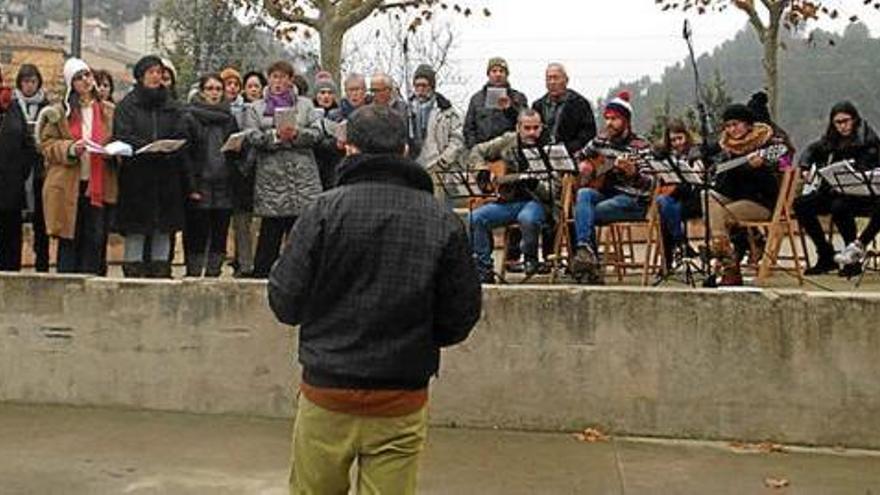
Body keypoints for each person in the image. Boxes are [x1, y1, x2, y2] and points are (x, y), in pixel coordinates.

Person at [267, 104, 481, 495]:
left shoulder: (322, 212)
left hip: (327, 392)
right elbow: (460, 317)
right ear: (405, 151)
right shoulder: (441, 220)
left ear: (349, 149)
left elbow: (285, 301)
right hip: (401, 395)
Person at [113, 55, 190, 278]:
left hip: (166, 176)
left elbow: (182, 133)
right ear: (140, 77)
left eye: (159, 72)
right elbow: (122, 134)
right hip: (136, 177)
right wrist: (145, 146)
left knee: (163, 230)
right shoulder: (128, 105)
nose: (156, 77)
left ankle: (161, 270)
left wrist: (169, 146)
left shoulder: (172, 105)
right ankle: (133, 272)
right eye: (151, 72)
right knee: (136, 230)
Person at [37, 58, 117, 274]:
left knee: (95, 238)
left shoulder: (108, 110)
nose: (85, 80)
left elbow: (116, 138)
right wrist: (71, 148)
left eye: (87, 75)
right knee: (69, 238)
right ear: (71, 83)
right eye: (79, 77)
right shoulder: (60, 112)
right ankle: (66, 288)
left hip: (98, 184)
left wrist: (112, 151)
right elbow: (46, 145)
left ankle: (90, 288)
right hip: (69, 183)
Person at [243, 60, 322, 278]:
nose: (279, 82)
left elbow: (317, 134)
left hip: (302, 177)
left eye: (283, 77)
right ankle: (261, 275)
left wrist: (296, 134)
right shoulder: (256, 108)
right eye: (274, 77)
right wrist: (276, 136)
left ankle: (305, 276)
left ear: (290, 80)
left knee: (302, 232)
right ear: (268, 79)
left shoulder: (305, 105)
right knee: (270, 231)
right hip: (272, 178)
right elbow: (252, 135)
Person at [703, 103, 792, 286]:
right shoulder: (725, 147)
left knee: (720, 215)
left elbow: (785, 161)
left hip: (760, 201)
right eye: (727, 126)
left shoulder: (768, 143)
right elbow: (723, 183)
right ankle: (728, 260)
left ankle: (724, 259)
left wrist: (760, 168)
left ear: (748, 124)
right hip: (732, 197)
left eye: (736, 124)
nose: (731, 129)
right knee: (706, 197)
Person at [570, 92, 653, 284]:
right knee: (584, 194)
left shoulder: (639, 146)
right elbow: (577, 157)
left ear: (626, 121)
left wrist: (634, 174)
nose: (609, 123)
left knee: (587, 213)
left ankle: (588, 260)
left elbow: (651, 184)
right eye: (607, 118)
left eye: (614, 119)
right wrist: (584, 166)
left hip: (633, 202)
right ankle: (586, 252)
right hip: (606, 194)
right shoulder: (601, 141)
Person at [795, 101, 880, 277]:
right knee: (801, 205)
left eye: (846, 121)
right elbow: (811, 149)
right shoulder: (831, 140)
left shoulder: (869, 140)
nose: (842, 126)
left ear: (854, 119)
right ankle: (825, 253)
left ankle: (852, 256)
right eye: (837, 122)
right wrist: (804, 166)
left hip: (863, 196)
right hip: (835, 191)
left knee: (840, 207)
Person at [467, 109, 549, 282]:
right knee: (475, 218)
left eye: (536, 128)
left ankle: (530, 259)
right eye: (527, 128)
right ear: (518, 127)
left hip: (537, 202)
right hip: (509, 201)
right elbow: (477, 151)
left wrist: (536, 184)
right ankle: (484, 269)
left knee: (527, 218)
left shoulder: (550, 146)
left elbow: (554, 192)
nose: (532, 133)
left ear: (541, 128)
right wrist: (482, 170)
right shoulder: (508, 141)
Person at [182, 73, 239, 277]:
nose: (214, 93)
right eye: (210, 89)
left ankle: (214, 274)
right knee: (197, 231)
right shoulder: (190, 117)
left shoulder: (229, 118)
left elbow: (236, 151)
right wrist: (191, 186)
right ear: (202, 91)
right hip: (200, 182)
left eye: (218, 89)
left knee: (220, 232)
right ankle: (194, 274)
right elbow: (186, 155)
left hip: (224, 182)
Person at [0, 64, 50, 271]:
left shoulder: (45, 107)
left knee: (39, 222)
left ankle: (40, 265)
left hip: (36, 172)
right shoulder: (10, 105)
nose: (29, 86)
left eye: (33, 81)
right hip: (10, 174)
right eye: (25, 81)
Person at [407, 64, 465, 202]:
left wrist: (444, 160)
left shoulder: (448, 112)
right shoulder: (406, 110)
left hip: (438, 167)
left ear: (432, 86)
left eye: (424, 85)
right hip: (413, 167)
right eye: (417, 86)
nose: (420, 90)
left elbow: (458, 139)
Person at [653, 118, 702, 267]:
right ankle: (680, 242)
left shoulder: (696, 151)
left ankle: (672, 254)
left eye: (680, 138)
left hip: (694, 199)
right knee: (663, 204)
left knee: (665, 210)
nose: (677, 143)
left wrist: (698, 170)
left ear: (686, 136)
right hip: (675, 198)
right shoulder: (667, 157)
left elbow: (700, 181)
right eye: (673, 140)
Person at [531, 63, 597, 156]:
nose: (552, 82)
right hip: (542, 155)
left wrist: (566, 149)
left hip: (572, 155)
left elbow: (588, 134)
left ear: (566, 80)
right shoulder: (538, 105)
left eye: (556, 78)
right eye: (549, 78)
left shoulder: (580, 104)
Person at [463, 57, 528, 149]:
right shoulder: (476, 99)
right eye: (494, 71)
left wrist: (510, 109)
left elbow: (526, 125)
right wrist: (475, 149)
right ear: (488, 74)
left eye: (501, 71)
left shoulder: (518, 98)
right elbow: (469, 128)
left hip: (510, 150)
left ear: (507, 74)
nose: (498, 74)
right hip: (483, 151)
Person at [311, 71, 343, 190]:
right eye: (322, 92)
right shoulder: (309, 113)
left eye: (330, 93)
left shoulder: (340, 114)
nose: (326, 96)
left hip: (335, 166)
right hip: (315, 165)